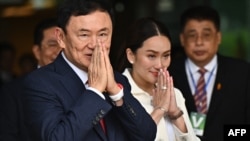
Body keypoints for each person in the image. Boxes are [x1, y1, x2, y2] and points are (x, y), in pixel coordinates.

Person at [21, 0, 157, 141]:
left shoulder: (117, 80)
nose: (94, 45)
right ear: (61, 38)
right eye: (84, 35)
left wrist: (115, 93)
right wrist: (96, 91)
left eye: (103, 34)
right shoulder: (40, 83)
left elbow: (146, 135)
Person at [168, 6, 250, 141]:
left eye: (206, 35)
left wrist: (223, 135)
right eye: (192, 35)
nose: (199, 42)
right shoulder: (168, 73)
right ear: (182, 39)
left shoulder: (243, 73)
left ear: (218, 37)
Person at [114, 17, 200, 141]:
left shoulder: (175, 94)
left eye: (166, 55)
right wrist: (160, 110)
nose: (160, 65)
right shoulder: (118, 95)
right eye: (151, 56)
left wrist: (175, 114)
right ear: (131, 55)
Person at [0, 17, 61, 141]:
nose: (59, 51)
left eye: (64, 44)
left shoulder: (81, 85)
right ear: (37, 51)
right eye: (53, 45)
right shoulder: (13, 92)